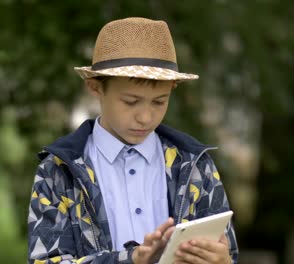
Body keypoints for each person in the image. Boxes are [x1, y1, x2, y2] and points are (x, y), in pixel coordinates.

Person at [27, 17, 238, 264]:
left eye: (159, 101)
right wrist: (132, 259)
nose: (146, 117)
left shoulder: (196, 166)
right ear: (95, 88)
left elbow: (228, 253)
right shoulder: (57, 171)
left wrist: (222, 262)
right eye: (131, 102)